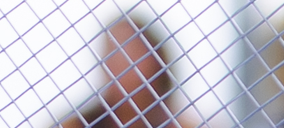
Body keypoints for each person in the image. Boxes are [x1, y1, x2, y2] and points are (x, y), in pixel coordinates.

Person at [59, 14, 200, 128]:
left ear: (157, 61)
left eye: (131, 54)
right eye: (111, 54)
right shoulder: (73, 125)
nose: (119, 65)